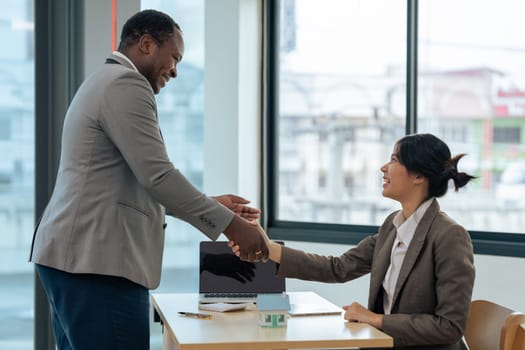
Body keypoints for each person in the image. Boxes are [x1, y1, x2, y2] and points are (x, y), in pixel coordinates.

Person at [29, 9, 267, 350]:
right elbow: (158, 176)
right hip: (96, 265)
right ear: (146, 44)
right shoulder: (126, 84)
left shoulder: (103, 81)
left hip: (75, 260)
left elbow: (130, 183)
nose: (175, 70)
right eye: (174, 58)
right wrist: (231, 225)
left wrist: (212, 204)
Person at [232, 133, 476, 350]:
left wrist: (376, 319)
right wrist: (267, 247)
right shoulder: (394, 225)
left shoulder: (449, 236)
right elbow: (338, 268)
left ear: (418, 175)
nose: (383, 168)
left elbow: (449, 326)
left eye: (393, 160)